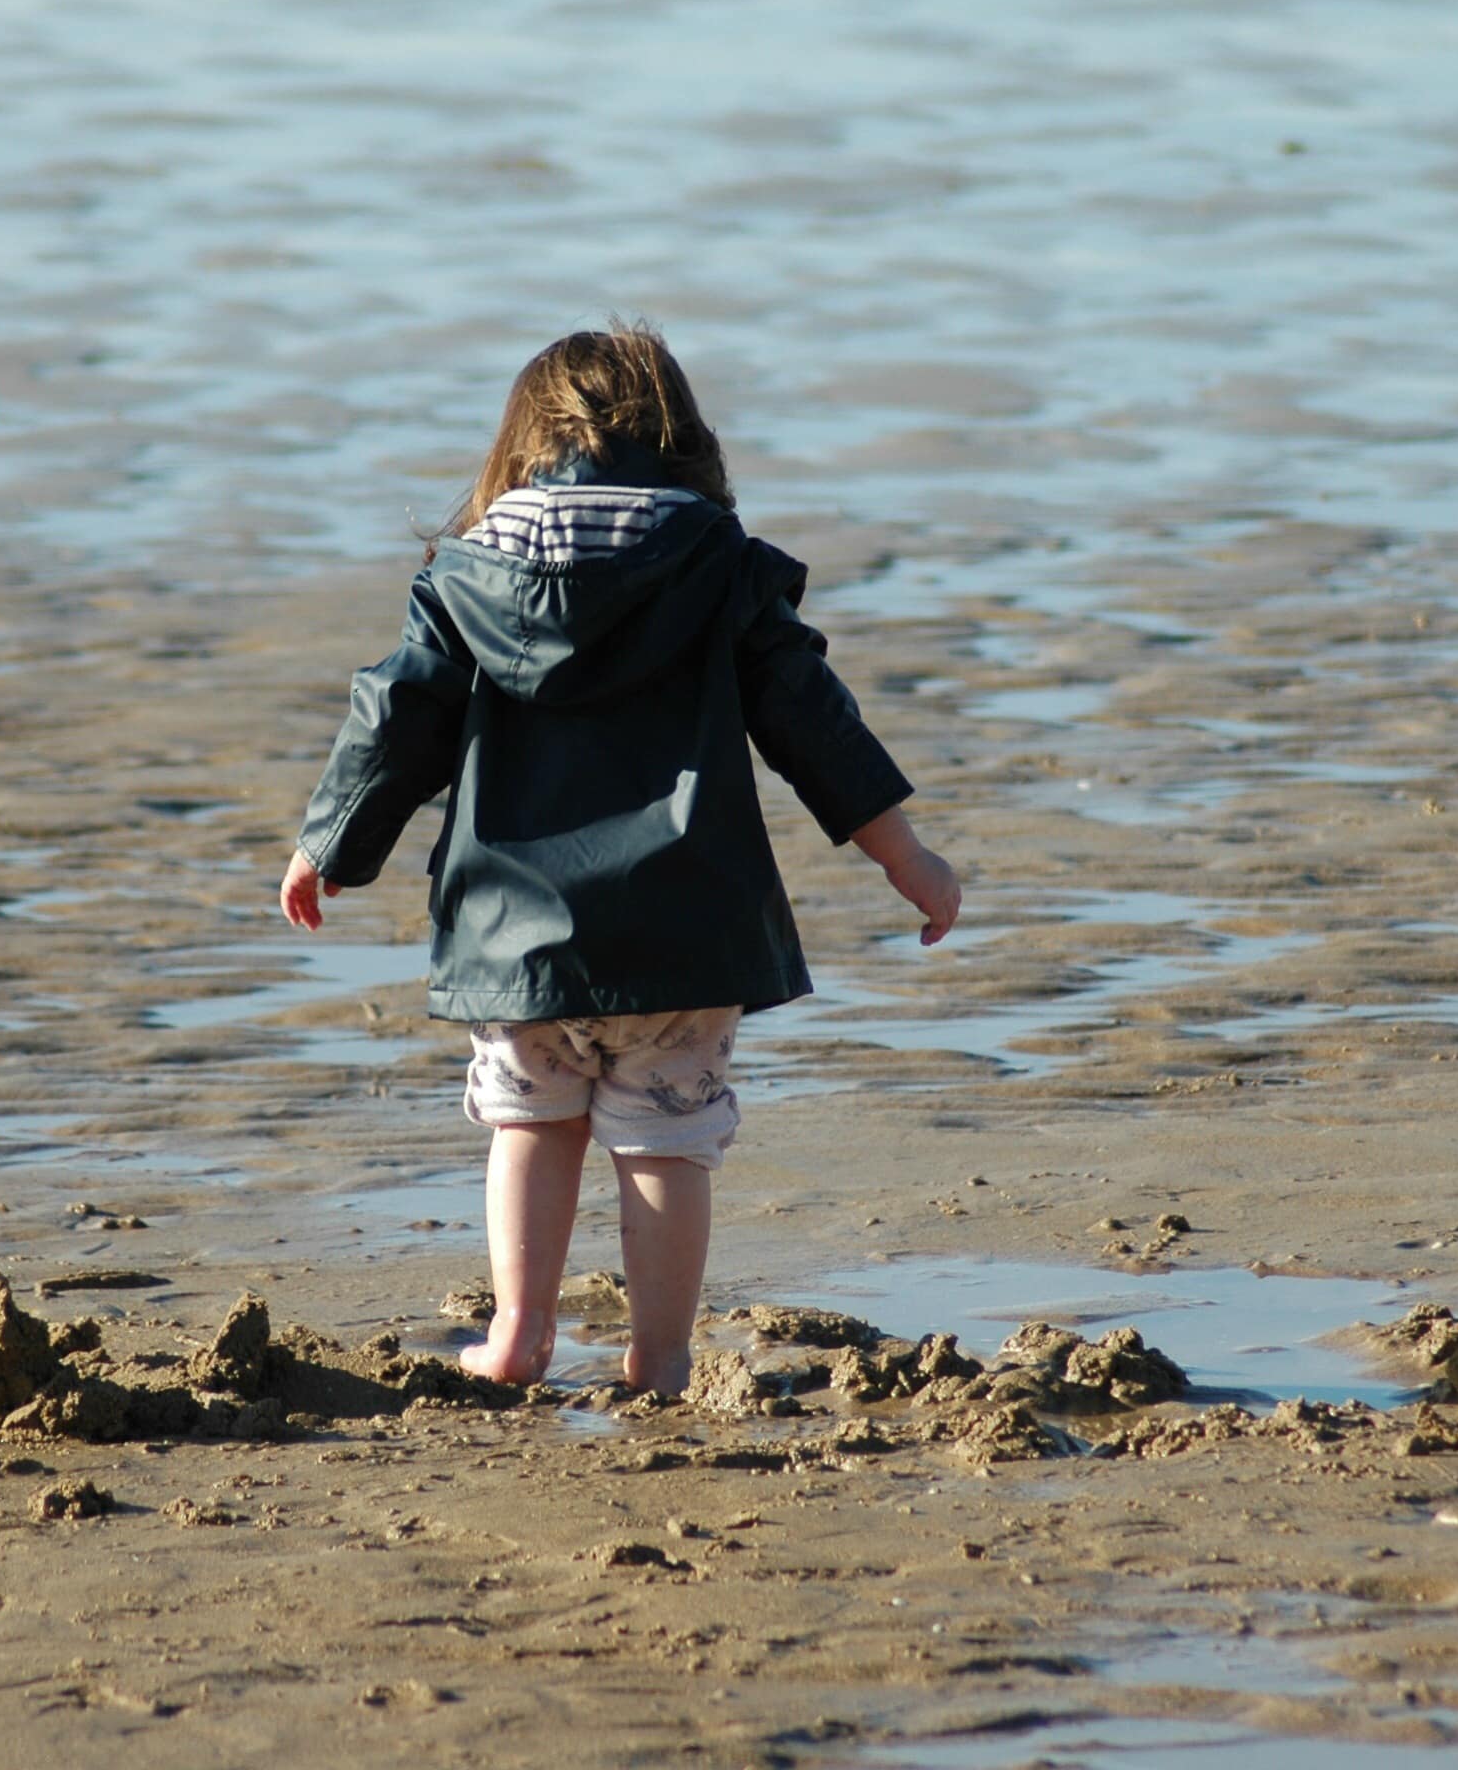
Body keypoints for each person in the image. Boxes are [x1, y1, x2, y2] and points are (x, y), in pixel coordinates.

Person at [281, 325, 961, 1396]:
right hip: (680, 938)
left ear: (518, 446)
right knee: (665, 1142)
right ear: (682, 443)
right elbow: (809, 720)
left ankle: (516, 1334)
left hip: (517, 939)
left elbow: (396, 715)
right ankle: (661, 1355)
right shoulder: (716, 568)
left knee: (528, 1126)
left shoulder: (466, 575)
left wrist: (329, 842)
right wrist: (906, 856)